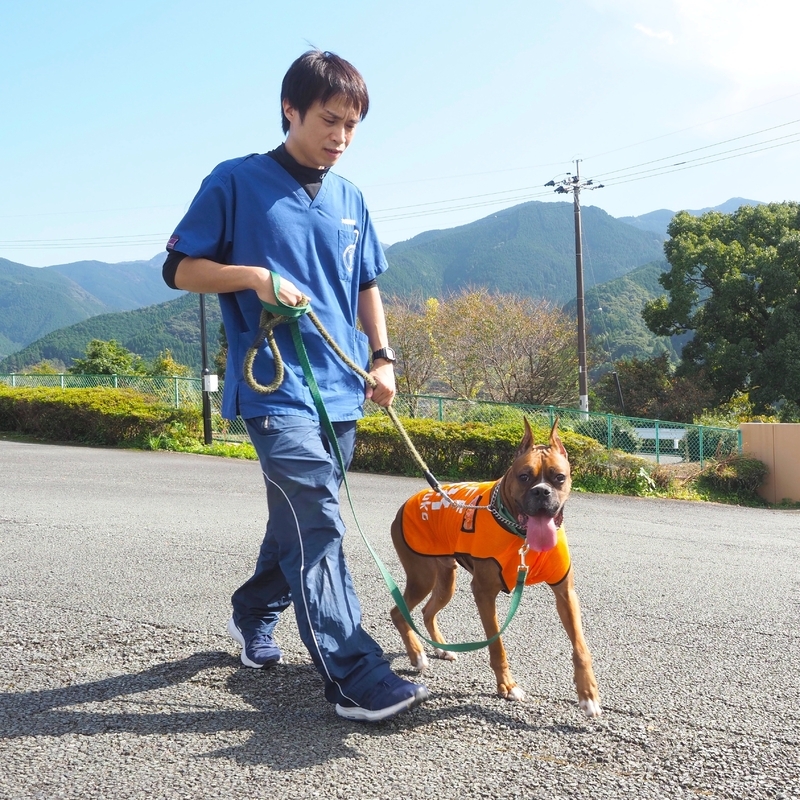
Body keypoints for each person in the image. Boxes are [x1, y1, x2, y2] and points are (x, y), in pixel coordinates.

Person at [162, 50, 429, 722]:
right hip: (274, 387)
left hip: (342, 389)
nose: (340, 136)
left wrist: (384, 356)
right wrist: (253, 277)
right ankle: (355, 675)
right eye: (328, 120)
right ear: (291, 110)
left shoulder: (352, 198)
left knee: (299, 520)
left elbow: (367, 282)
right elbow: (180, 269)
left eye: (352, 125)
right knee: (317, 514)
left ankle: (253, 610)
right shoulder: (235, 181)